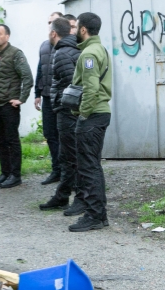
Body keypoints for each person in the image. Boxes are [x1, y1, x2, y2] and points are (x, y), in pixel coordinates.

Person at [67, 12, 112, 232]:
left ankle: (95, 215)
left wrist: (83, 114)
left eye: (75, 28)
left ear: (83, 30)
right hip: (98, 114)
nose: (73, 32)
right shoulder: (98, 49)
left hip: (92, 115)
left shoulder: (89, 54)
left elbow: (92, 88)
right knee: (92, 165)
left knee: (88, 167)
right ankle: (98, 214)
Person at [0, 24, 34, 189]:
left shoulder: (15, 54)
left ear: (7, 36)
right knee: (0, 141)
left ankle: (15, 175)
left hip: (9, 106)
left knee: (12, 140)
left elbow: (27, 77)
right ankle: (4, 173)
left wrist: (21, 98)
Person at [38, 18, 81, 212]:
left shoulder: (62, 53)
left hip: (68, 111)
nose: (48, 34)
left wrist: (62, 103)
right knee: (67, 155)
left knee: (70, 156)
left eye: (49, 30)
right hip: (68, 110)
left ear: (54, 33)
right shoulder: (71, 48)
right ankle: (62, 195)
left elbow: (72, 83)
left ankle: (78, 198)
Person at [35, 12, 64, 185]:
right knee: (50, 134)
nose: (50, 25)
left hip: (61, 98)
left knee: (63, 136)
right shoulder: (44, 46)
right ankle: (56, 169)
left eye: (53, 22)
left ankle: (67, 171)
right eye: (48, 22)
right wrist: (37, 94)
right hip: (47, 97)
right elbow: (40, 70)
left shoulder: (68, 46)